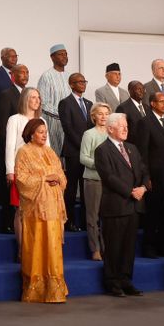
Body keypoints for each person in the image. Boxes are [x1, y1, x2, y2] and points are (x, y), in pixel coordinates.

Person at [14, 118, 68, 303]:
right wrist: (45, 178)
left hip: (53, 207)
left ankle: (55, 289)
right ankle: (36, 290)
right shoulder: (24, 152)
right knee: (37, 247)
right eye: (40, 132)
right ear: (31, 133)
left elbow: (61, 174)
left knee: (53, 246)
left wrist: (58, 180)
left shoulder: (50, 151)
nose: (44, 135)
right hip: (36, 210)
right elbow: (21, 179)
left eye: (45, 132)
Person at [94, 113, 148, 297]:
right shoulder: (102, 150)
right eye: (122, 126)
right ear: (110, 129)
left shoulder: (132, 148)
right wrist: (130, 191)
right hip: (116, 206)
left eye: (126, 126)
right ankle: (112, 282)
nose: (126, 129)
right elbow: (109, 177)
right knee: (114, 247)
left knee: (129, 247)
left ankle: (126, 280)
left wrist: (143, 188)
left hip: (134, 206)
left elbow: (143, 170)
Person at [136, 91, 164, 259]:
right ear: (152, 103)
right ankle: (149, 247)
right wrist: (146, 178)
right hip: (153, 176)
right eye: (161, 101)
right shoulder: (144, 122)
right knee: (153, 214)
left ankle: (162, 245)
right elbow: (142, 152)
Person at [0, 62, 29, 229]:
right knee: (10, 189)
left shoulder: (30, 95)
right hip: (12, 149)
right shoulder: (6, 95)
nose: (25, 75)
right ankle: (8, 223)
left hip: (29, 153)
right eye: (22, 72)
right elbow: (2, 125)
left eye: (27, 72)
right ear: (13, 76)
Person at [3, 87, 43, 236]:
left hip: (39, 172)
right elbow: (10, 147)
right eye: (33, 97)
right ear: (25, 99)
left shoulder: (42, 120)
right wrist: (10, 171)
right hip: (21, 170)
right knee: (20, 210)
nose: (37, 100)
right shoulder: (15, 119)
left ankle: (35, 248)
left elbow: (48, 148)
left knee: (38, 209)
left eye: (38, 98)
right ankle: (21, 250)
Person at [57, 73, 92, 231]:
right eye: (79, 82)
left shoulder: (90, 104)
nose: (83, 84)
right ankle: (68, 221)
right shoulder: (65, 103)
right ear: (71, 84)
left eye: (84, 81)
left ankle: (87, 222)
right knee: (71, 189)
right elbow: (68, 128)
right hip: (73, 152)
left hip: (89, 154)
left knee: (87, 190)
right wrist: (84, 146)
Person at [79, 103, 112, 261]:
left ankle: (107, 248)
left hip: (110, 182)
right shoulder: (89, 134)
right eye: (100, 113)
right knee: (93, 217)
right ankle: (95, 249)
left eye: (106, 113)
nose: (104, 116)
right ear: (94, 117)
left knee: (108, 217)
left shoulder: (112, 134)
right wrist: (100, 165)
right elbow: (83, 157)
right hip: (93, 180)